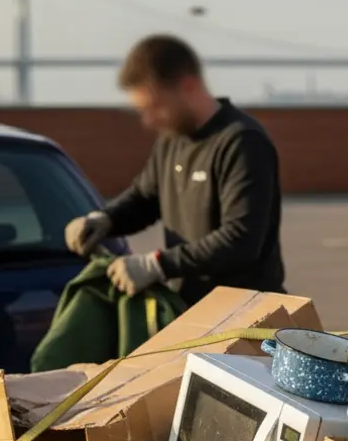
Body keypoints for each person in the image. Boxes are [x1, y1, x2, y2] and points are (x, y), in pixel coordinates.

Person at [63, 34, 286, 305]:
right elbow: (144, 198)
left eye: (155, 107)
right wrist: (104, 220)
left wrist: (157, 264)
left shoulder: (241, 141)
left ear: (189, 86)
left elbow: (240, 240)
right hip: (192, 309)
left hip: (246, 312)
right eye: (142, 110)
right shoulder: (172, 140)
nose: (148, 120)